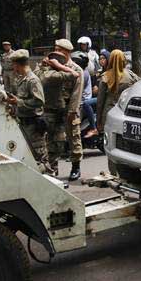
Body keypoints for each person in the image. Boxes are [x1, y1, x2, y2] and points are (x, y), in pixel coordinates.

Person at [5, 49, 52, 174]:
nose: (12, 67)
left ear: (17, 64)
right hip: (25, 123)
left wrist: (18, 102)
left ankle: (50, 178)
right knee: (30, 156)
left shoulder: (32, 80)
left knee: (40, 156)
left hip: (33, 125)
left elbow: (39, 101)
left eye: (13, 64)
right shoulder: (22, 79)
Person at [34, 51, 80, 175]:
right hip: (55, 113)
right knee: (57, 143)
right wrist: (59, 66)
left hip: (45, 112)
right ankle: (52, 169)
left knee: (48, 143)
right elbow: (75, 74)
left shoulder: (39, 72)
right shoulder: (53, 75)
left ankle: (52, 169)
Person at [54, 39, 84, 181]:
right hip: (54, 107)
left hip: (68, 107)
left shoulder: (76, 69)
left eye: (58, 50)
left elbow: (77, 93)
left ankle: (75, 167)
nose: (56, 52)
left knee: (74, 137)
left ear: (66, 52)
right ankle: (53, 168)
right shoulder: (53, 66)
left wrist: (72, 111)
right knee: (52, 138)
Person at [96, 49, 140, 132]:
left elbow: (100, 102)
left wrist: (98, 121)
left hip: (109, 113)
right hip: (125, 113)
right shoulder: (131, 75)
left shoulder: (105, 76)